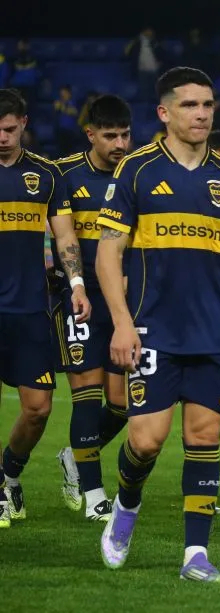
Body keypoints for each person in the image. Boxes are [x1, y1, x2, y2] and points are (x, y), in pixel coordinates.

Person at [95, 67, 220, 582]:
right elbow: (107, 253)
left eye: (208, 104)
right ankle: (125, 506)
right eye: (190, 105)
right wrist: (122, 323)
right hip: (153, 331)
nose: (202, 114)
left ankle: (195, 555)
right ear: (164, 113)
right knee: (145, 441)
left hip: (215, 334)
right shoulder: (138, 171)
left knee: (204, 438)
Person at [0, 88, 91, 528]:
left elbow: (66, 237)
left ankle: (9, 477)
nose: (1, 136)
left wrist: (76, 283)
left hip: (30, 309)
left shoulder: (47, 175)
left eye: (8, 129)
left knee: (38, 409)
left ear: (24, 125)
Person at [52, 94, 133, 522]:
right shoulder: (64, 175)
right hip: (78, 298)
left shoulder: (137, 175)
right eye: (110, 136)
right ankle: (94, 495)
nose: (120, 143)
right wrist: (73, 284)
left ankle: (75, 455)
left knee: (122, 404)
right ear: (91, 134)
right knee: (86, 395)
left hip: (121, 300)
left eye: (125, 135)